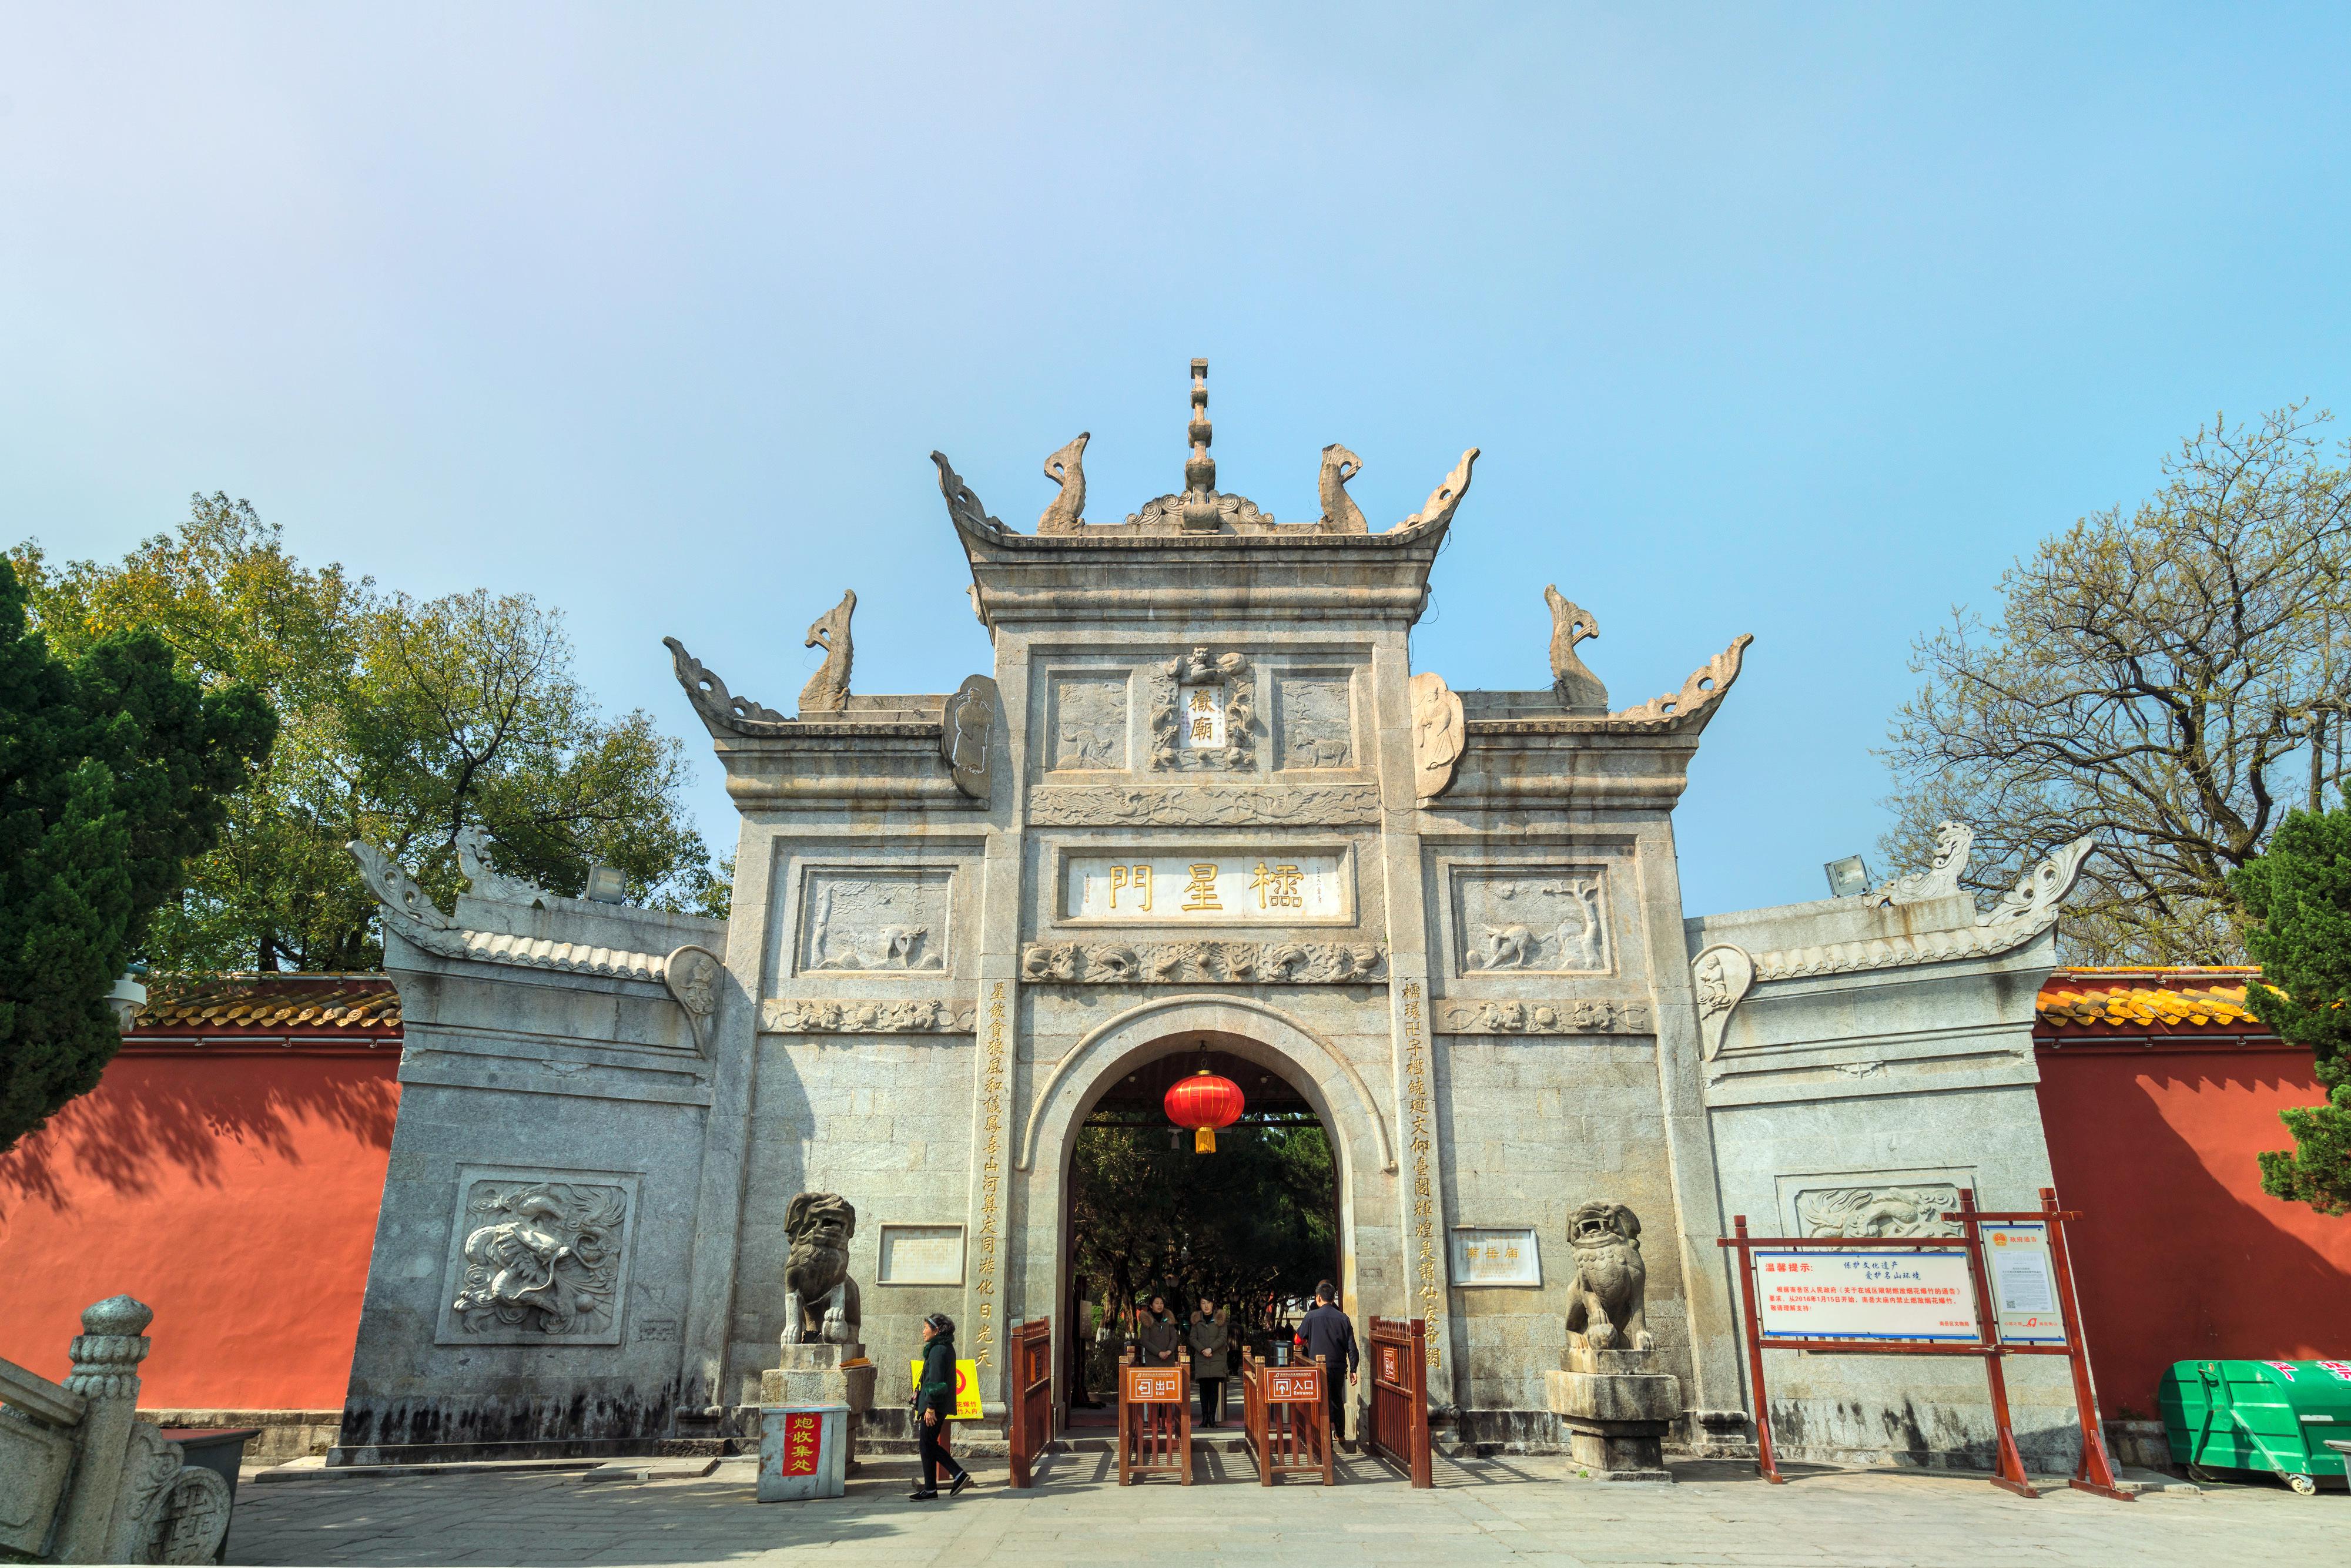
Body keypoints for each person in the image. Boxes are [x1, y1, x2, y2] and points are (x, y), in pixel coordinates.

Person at [908, 1312, 972, 1501]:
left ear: (936, 1330)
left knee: (927, 1444)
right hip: (936, 1404)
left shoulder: (938, 1350)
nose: (923, 1332)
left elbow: (936, 1381)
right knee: (927, 1444)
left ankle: (957, 1473)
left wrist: (931, 1408)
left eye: (926, 1328)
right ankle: (931, 1489)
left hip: (935, 1405)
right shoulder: (943, 1347)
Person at [1293, 1279, 1359, 1450]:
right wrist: (1353, 1368)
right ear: (1333, 1299)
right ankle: (1341, 1433)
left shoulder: (1311, 1317)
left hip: (1317, 1367)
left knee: (1322, 1401)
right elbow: (1351, 1346)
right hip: (1338, 1367)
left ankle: (1326, 1439)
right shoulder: (1343, 1318)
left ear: (1318, 1298)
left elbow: (1297, 1340)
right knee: (1337, 1398)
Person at [1188, 1297, 1231, 1428]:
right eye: (1203, 1303)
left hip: (1216, 1358)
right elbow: (1192, 1338)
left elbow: (1223, 1337)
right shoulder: (1196, 1321)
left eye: (1208, 1303)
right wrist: (1202, 1350)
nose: (1206, 1306)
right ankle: (1204, 1417)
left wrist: (1211, 1348)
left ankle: (1212, 1418)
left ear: (1213, 1304)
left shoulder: (1220, 1319)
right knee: (1203, 1390)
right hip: (1202, 1358)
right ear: (1200, 1305)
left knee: (1214, 1389)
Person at [1136, 1295, 1181, 1366]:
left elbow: (1174, 1338)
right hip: (1153, 1360)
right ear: (1151, 1306)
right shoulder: (1146, 1320)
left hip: (1168, 1359)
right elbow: (1145, 1341)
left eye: (1161, 1303)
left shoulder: (1168, 1319)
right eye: (1157, 1303)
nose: (1160, 1305)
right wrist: (1159, 1353)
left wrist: (1169, 1351)